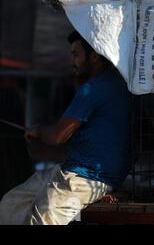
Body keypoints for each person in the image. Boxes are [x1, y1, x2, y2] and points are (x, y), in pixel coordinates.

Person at [0, 31, 132, 225]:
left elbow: (57, 136)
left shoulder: (94, 89)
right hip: (73, 170)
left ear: (94, 56)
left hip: (87, 178)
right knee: (10, 205)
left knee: (41, 221)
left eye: (75, 54)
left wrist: (37, 131)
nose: (72, 61)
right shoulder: (116, 83)